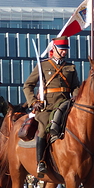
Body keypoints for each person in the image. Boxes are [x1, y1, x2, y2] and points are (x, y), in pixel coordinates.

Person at [23, 36, 80, 177]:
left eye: (66, 50)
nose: (64, 52)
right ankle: (41, 161)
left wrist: (77, 98)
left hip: (66, 105)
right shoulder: (43, 65)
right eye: (62, 49)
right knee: (43, 129)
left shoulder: (70, 67)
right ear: (53, 49)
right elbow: (27, 85)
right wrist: (32, 101)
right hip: (47, 107)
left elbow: (76, 87)